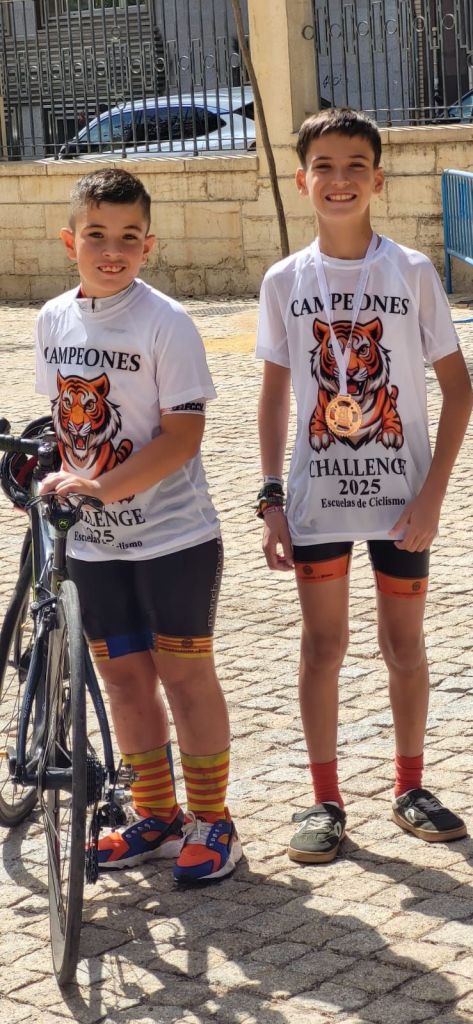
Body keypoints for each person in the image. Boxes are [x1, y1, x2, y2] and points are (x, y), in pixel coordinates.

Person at [256, 107, 472, 865]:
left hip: (401, 504)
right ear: (301, 180)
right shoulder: (284, 280)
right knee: (322, 647)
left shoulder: (410, 272)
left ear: (378, 180)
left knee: (402, 646)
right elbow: (274, 398)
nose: (339, 179)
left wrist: (433, 495)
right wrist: (270, 497)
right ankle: (324, 800)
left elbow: (459, 391)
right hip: (317, 503)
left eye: (355, 166)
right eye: (324, 166)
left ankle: (409, 787)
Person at [35, 167, 241, 882]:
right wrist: (54, 471)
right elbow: (63, 423)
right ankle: (156, 816)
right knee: (123, 682)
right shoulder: (52, 319)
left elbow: (183, 437)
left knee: (185, 678)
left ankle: (213, 821)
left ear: (148, 246)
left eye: (128, 237)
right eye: (96, 235)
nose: (112, 250)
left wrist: (100, 486)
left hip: (174, 539)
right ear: (70, 242)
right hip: (94, 545)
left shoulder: (167, 321)